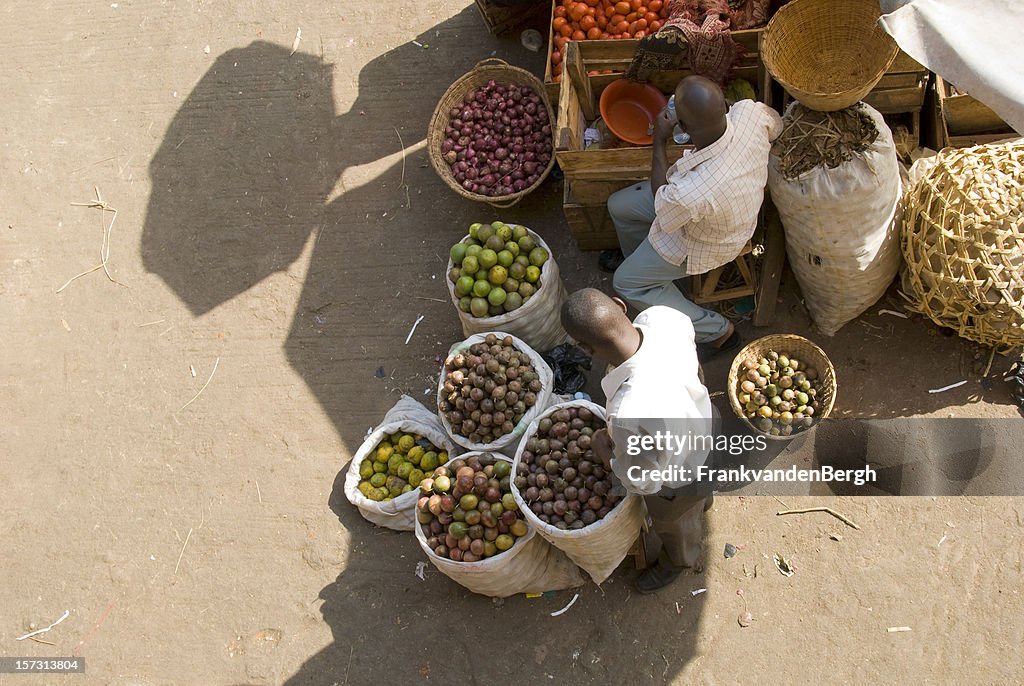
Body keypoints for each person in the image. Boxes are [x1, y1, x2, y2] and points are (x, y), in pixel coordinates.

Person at [602, 75, 783, 360]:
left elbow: (664, 207)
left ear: (682, 128)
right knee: (618, 206)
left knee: (625, 283)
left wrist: (659, 142)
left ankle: (719, 331)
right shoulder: (748, 112)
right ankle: (643, 266)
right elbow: (776, 124)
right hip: (715, 209)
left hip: (709, 241)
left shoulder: (690, 192)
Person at [561, 288, 715, 593]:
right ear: (621, 306)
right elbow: (695, 367)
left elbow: (643, 482)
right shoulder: (663, 318)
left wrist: (604, 451)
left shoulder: (628, 412)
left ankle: (678, 561)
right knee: (700, 492)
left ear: (584, 348)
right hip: (704, 427)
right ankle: (703, 502)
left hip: (677, 478)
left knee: (676, 523)